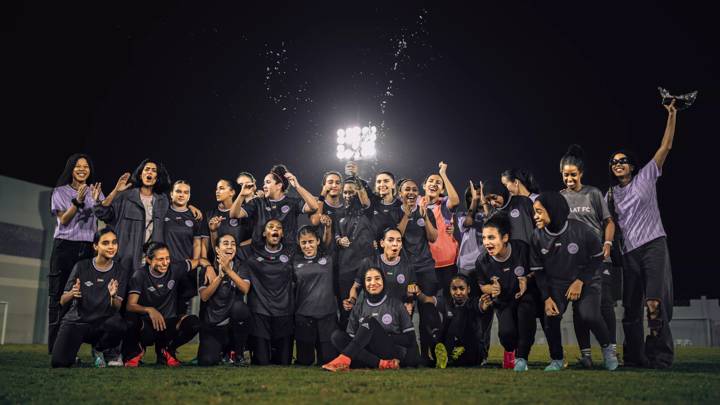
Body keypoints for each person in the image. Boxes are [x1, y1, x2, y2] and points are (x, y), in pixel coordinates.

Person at [607, 100, 678, 369]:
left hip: (653, 246)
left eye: (623, 161)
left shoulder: (646, 177)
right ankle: (634, 357)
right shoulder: (610, 194)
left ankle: (660, 356)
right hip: (628, 254)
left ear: (633, 166)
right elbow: (607, 222)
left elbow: (665, 147)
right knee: (630, 309)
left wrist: (671, 115)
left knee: (654, 303)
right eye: (614, 162)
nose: (618, 164)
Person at [531, 192, 618, 371]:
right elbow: (538, 272)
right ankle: (557, 359)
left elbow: (597, 258)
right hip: (557, 283)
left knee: (589, 315)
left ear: (553, 211)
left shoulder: (582, 230)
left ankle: (608, 350)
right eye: (535, 212)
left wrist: (580, 281)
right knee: (551, 316)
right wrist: (547, 298)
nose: (535, 216)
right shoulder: (536, 236)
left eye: (539, 212)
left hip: (587, 279)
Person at [559, 145, 617, 368]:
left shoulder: (593, 193)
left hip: (598, 258)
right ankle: (586, 355)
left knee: (603, 306)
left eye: (573, 174)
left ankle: (610, 351)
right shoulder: (560, 197)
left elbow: (608, 221)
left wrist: (608, 243)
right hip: (573, 263)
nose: (570, 178)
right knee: (578, 308)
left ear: (581, 173)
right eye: (566, 175)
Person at [48, 153, 104, 354]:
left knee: (81, 298)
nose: (82, 169)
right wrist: (77, 202)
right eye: (78, 166)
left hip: (88, 247)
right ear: (71, 169)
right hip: (65, 247)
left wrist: (111, 194)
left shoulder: (94, 191)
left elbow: (103, 212)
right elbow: (63, 220)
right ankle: (55, 348)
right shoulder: (60, 191)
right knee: (59, 295)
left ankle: (72, 348)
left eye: (86, 166)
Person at [51, 228, 127, 368]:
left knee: (119, 325)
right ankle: (73, 357)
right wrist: (72, 293)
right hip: (78, 321)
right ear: (96, 246)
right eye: (105, 243)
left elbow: (117, 306)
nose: (111, 246)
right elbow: (62, 300)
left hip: (102, 324)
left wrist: (113, 295)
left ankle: (99, 349)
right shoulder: (81, 266)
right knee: (59, 363)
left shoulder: (119, 271)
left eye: (114, 242)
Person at [476, 213, 540, 371]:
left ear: (505, 238)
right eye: (484, 238)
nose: (486, 242)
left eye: (491, 237)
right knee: (507, 335)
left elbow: (537, 271)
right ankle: (510, 351)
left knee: (525, 319)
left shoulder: (521, 249)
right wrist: (490, 289)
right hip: (503, 302)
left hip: (525, 297)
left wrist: (527, 278)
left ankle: (521, 359)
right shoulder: (482, 261)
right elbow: (482, 285)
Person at [322, 267, 419, 371]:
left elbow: (410, 339)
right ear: (364, 284)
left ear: (383, 281)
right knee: (337, 336)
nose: (373, 283)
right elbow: (352, 340)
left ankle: (343, 360)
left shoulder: (396, 304)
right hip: (368, 354)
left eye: (377, 278)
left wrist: (383, 337)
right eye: (368, 280)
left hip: (390, 351)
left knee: (369, 322)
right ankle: (381, 364)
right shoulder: (358, 307)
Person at [123, 242, 201, 367]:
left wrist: (209, 268)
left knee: (194, 323)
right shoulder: (140, 275)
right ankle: (136, 350)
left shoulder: (175, 268)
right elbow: (130, 305)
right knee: (130, 319)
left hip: (168, 325)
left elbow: (199, 261)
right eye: (160, 259)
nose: (165, 263)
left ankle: (168, 350)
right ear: (149, 260)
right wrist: (149, 310)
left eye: (167, 258)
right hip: (148, 326)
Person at [392, 178, 438, 364]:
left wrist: (425, 216)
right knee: (405, 313)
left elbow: (433, 237)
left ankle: (427, 354)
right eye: (406, 189)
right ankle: (407, 355)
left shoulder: (425, 212)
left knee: (427, 313)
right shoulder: (395, 213)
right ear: (399, 194)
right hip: (405, 270)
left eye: (413, 189)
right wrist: (407, 213)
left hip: (426, 268)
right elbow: (397, 235)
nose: (411, 192)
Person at [241, 219, 295, 365]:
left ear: (282, 233)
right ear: (264, 233)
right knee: (262, 362)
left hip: (284, 313)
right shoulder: (252, 253)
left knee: (284, 362)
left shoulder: (291, 253)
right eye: (270, 227)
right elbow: (231, 247)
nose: (275, 229)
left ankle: (277, 348)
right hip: (260, 313)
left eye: (278, 227)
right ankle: (249, 348)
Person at [229, 164, 319, 247]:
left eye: (268, 182)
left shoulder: (292, 203)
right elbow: (233, 214)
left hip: (287, 255)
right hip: (260, 256)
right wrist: (241, 195)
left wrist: (297, 186)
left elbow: (314, 206)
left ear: (279, 185)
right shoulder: (257, 202)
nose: (264, 186)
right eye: (264, 183)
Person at [196, 234, 252, 367]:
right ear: (217, 249)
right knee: (207, 361)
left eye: (233, 244)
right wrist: (220, 276)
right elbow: (204, 296)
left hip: (232, 325)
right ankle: (223, 352)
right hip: (214, 324)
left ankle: (238, 354)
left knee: (240, 309)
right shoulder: (208, 269)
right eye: (226, 243)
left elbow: (245, 289)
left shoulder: (241, 266)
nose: (230, 246)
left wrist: (228, 270)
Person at [415, 274, 492, 368]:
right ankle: (444, 358)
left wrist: (484, 306)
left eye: (461, 288)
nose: (458, 292)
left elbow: (481, 307)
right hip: (452, 344)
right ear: (450, 290)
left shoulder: (474, 303)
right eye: (454, 289)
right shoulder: (446, 302)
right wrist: (418, 293)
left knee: (459, 315)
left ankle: (448, 359)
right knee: (435, 332)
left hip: (471, 347)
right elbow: (426, 299)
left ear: (468, 289)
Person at [293, 226, 339, 366]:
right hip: (304, 316)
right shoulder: (294, 261)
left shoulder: (329, 257)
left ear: (318, 241)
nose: (307, 245)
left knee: (327, 360)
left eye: (311, 241)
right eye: (304, 242)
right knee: (305, 361)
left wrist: (328, 227)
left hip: (327, 315)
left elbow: (330, 240)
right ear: (299, 244)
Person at [334, 176, 374, 328]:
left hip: (366, 265)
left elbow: (365, 199)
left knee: (368, 308)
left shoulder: (367, 210)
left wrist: (356, 178)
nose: (347, 195)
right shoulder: (340, 213)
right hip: (345, 266)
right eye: (345, 192)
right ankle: (346, 346)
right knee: (346, 308)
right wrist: (339, 240)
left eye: (351, 192)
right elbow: (337, 233)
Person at [164, 180, 207, 315]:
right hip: (165, 267)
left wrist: (194, 265)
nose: (182, 195)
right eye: (178, 191)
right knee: (164, 308)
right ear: (171, 194)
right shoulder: (162, 211)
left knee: (182, 311)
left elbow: (197, 243)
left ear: (189, 196)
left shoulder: (195, 217)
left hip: (186, 268)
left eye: (185, 192)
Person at [423, 162, 461, 298]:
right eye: (431, 181)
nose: (434, 184)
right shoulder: (417, 203)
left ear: (442, 190)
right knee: (428, 304)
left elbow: (455, 200)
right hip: (426, 264)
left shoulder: (444, 203)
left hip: (447, 262)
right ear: (424, 186)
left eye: (438, 183)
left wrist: (443, 174)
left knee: (450, 304)